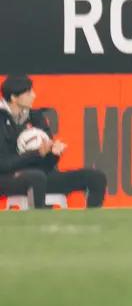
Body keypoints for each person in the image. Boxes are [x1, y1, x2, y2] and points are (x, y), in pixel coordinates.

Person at [0, 75, 107, 209]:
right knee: (36, 177)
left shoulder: (35, 117)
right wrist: (36, 154)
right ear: (13, 98)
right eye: (28, 93)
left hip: (41, 175)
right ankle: (39, 222)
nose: (34, 95)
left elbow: (47, 164)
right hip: (8, 178)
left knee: (96, 177)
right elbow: (3, 164)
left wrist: (53, 154)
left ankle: (93, 226)